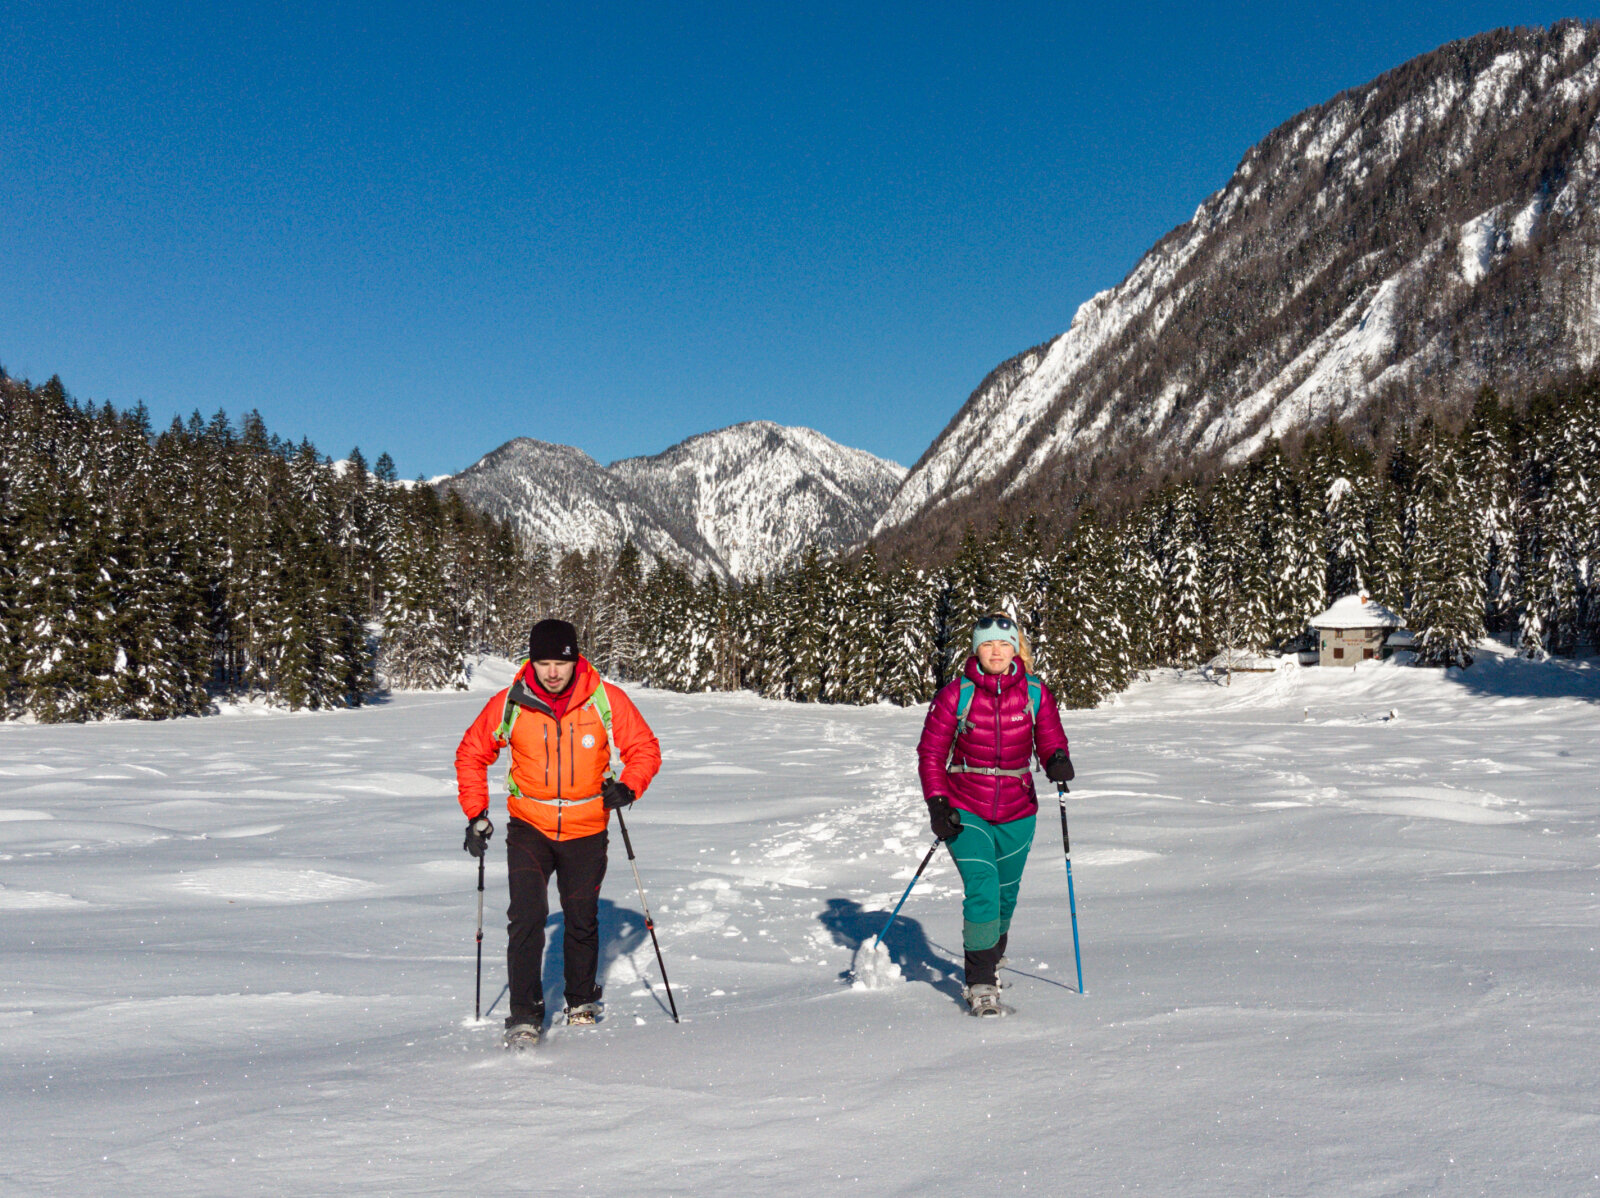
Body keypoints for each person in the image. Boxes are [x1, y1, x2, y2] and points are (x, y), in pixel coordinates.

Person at [455, 618, 662, 1047]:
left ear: (575, 660)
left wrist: (629, 786)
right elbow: (472, 753)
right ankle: (524, 1015)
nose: (552, 672)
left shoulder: (603, 699)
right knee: (526, 917)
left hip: (587, 827)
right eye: (543, 663)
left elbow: (644, 747)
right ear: (531, 662)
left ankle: (581, 1000)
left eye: (560, 663)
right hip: (530, 826)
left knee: (581, 915)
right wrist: (476, 813)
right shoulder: (511, 702)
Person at [916, 611, 1074, 1016]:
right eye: (987, 644)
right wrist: (937, 802)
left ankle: (991, 952)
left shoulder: (1035, 693)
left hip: (1018, 809)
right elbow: (931, 753)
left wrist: (1056, 759)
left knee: (1005, 894)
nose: (996, 651)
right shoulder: (956, 695)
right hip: (965, 805)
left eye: (1004, 644)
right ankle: (980, 980)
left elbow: (1050, 737)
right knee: (983, 886)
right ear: (976, 649)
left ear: (1015, 648)